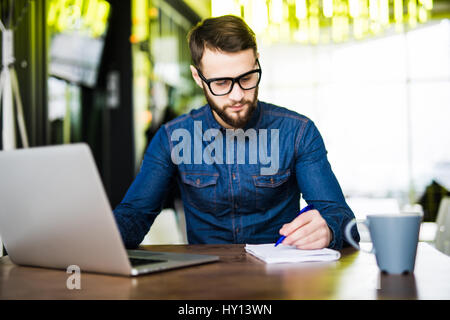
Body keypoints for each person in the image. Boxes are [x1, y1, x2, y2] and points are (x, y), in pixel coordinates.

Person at [113, 15, 360, 250]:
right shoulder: (171, 138)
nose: (237, 95)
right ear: (198, 77)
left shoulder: (298, 132)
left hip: (280, 281)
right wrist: (100, 239)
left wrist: (329, 229)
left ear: (257, 62)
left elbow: (344, 221)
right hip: (204, 283)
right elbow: (134, 216)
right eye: (221, 83)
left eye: (247, 78)